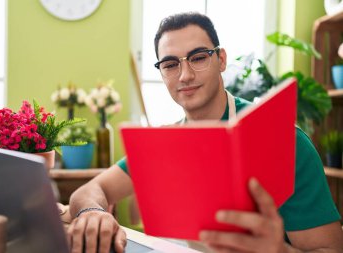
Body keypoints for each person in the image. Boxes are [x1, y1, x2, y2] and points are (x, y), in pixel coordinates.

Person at [67, 12, 343, 253]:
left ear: (221, 59)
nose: (185, 75)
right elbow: (91, 190)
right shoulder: (165, 143)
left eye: (198, 57)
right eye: (171, 64)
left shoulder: (284, 141)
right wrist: (92, 212)